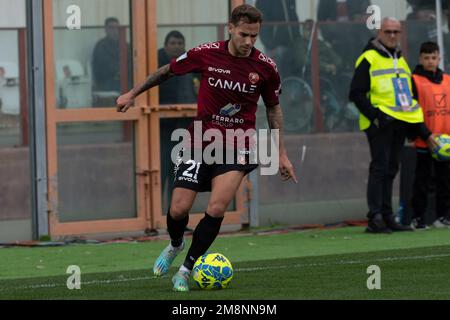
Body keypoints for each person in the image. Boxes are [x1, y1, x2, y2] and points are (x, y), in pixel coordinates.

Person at [116, 4, 297, 291]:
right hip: (199, 140)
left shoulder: (266, 67)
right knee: (178, 209)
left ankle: (186, 271)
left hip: (239, 145)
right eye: (243, 35)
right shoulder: (206, 53)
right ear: (230, 28)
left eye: (254, 36)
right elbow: (167, 72)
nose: (249, 42)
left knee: (216, 206)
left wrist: (281, 152)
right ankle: (176, 244)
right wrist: (132, 94)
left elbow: (274, 109)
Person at [349, 17, 437, 234]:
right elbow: (356, 94)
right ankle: (375, 217)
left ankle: (388, 216)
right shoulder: (369, 57)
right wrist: (376, 117)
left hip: (399, 122)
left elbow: (407, 95)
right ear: (379, 31)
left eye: (396, 32)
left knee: (391, 169)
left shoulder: (399, 58)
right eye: (388, 31)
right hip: (379, 123)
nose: (392, 35)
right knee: (380, 167)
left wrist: (419, 130)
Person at [411, 41, 450, 229]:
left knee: (445, 181)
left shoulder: (448, 80)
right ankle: (418, 218)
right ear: (420, 59)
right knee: (422, 182)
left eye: (433, 57)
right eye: (426, 58)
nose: (430, 61)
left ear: (439, 58)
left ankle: (443, 216)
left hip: (445, 142)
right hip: (424, 141)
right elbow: (411, 113)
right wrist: (425, 135)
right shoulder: (415, 80)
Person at [158, 30, 197, 213]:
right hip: (160, 128)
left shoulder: (191, 64)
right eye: (172, 43)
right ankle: (155, 216)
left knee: (179, 175)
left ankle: (174, 217)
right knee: (161, 172)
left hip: (184, 129)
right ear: (165, 45)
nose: (176, 46)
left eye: (180, 43)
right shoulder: (156, 62)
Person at [255, 0, 302, 77]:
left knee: (291, 76)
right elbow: (261, 23)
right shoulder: (263, 1)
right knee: (275, 76)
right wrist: (270, 44)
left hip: (292, 44)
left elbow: (294, 18)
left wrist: (298, 37)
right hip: (275, 47)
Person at [92, 17, 131, 93]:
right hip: (107, 81)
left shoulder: (125, 45)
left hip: (125, 81)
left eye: (117, 28)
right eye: (111, 28)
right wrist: (119, 71)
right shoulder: (101, 46)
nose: (115, 31)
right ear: (106, 29)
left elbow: (131, 64)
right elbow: (103, 67)